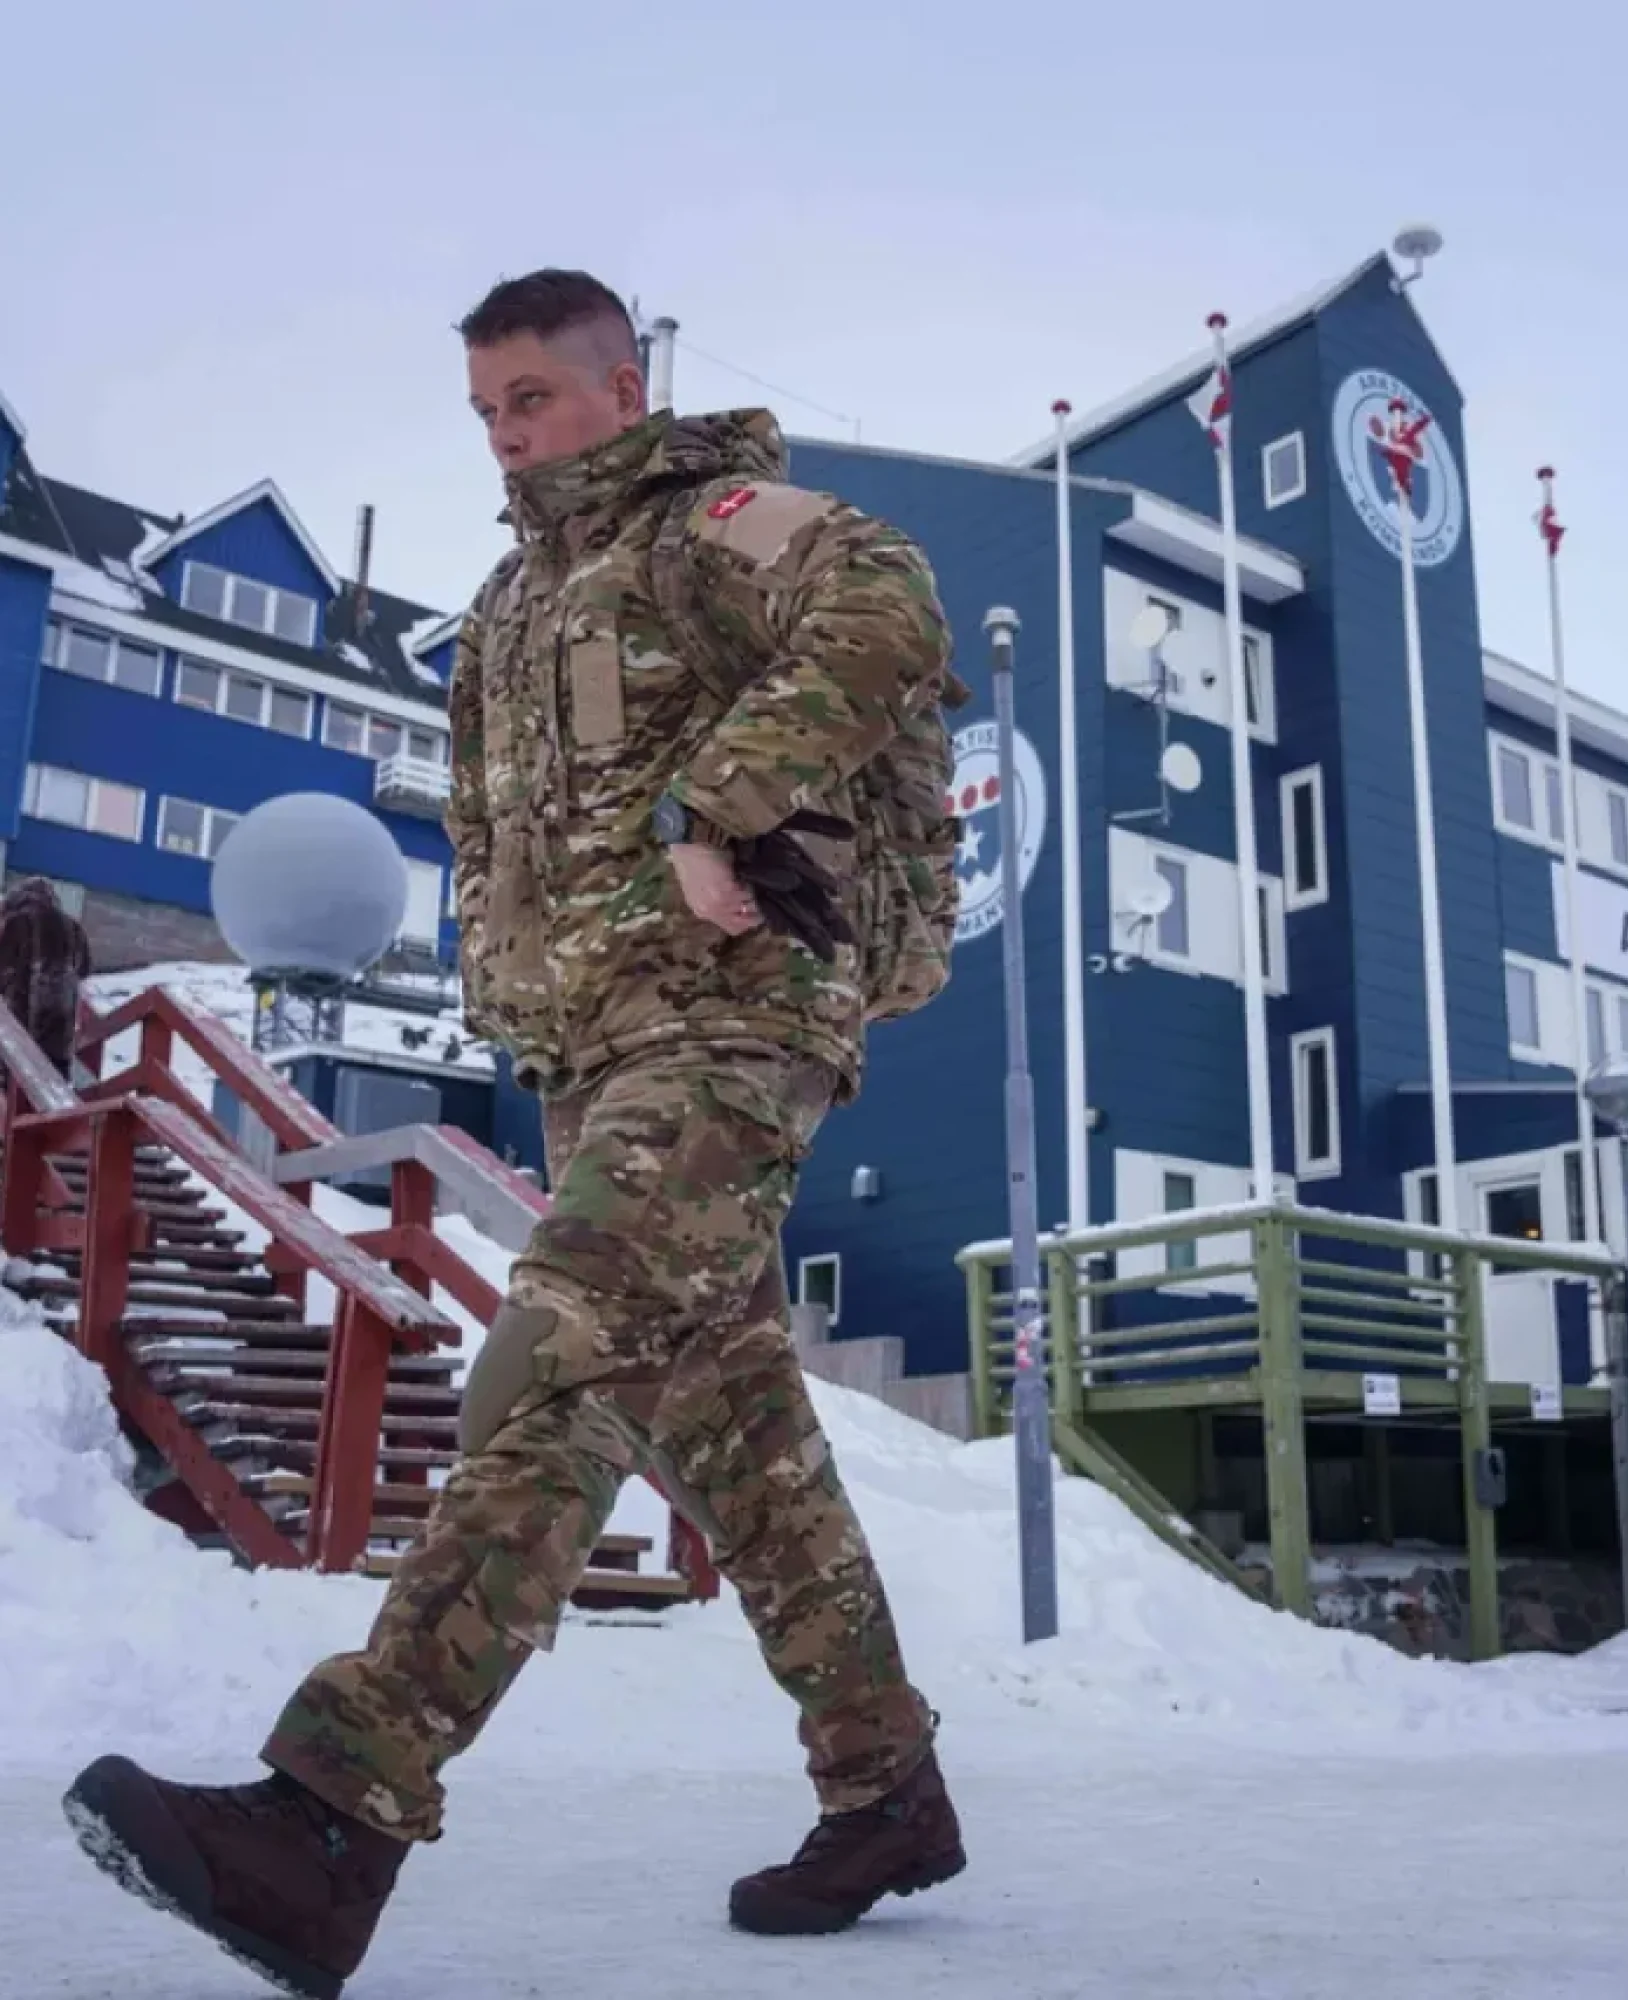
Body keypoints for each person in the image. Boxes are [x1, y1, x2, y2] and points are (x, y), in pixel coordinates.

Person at [61, 270, 966, 1997]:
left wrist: (727, 801)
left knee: (550, 1367)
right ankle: (888, 1790)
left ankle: (334, 1813)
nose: (506, 433)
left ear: (621, 385)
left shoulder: (711, 520)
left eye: (535, 399)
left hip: (730, 1021)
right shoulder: (509, 602)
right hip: (595, 1053)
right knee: (745, 1453)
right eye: (485, 408)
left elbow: (889, 593)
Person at [0, 874, 91, 1082]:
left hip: (21, 1024)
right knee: (50, 1089)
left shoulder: (16, 923)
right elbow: (85, 969)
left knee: (15, 1082)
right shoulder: (74, 928)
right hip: (59, 1033)